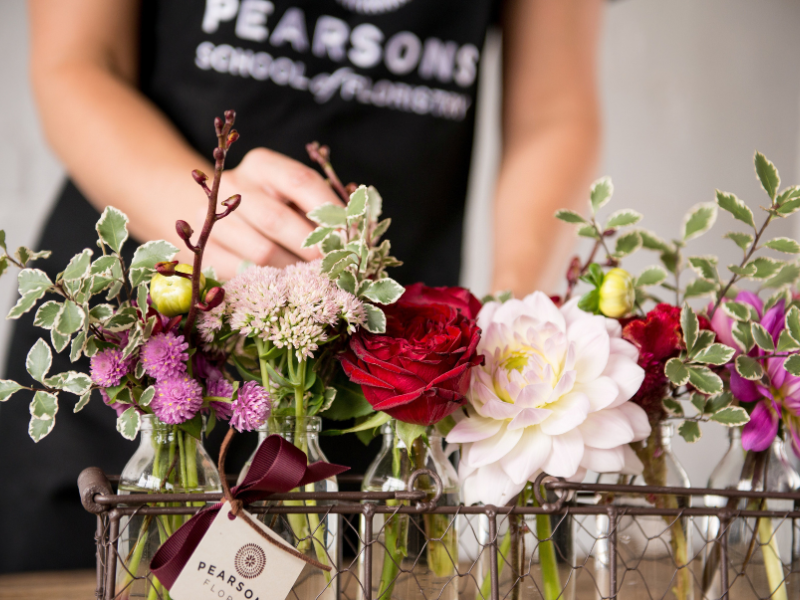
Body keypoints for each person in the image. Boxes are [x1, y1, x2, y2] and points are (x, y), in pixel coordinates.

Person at [1, 0, 602, 572]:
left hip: (380, 377)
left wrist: (504, 317)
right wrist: (206, 217)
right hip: (138, 358)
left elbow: (552, 111)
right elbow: (79, 61)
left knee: (358, 569)